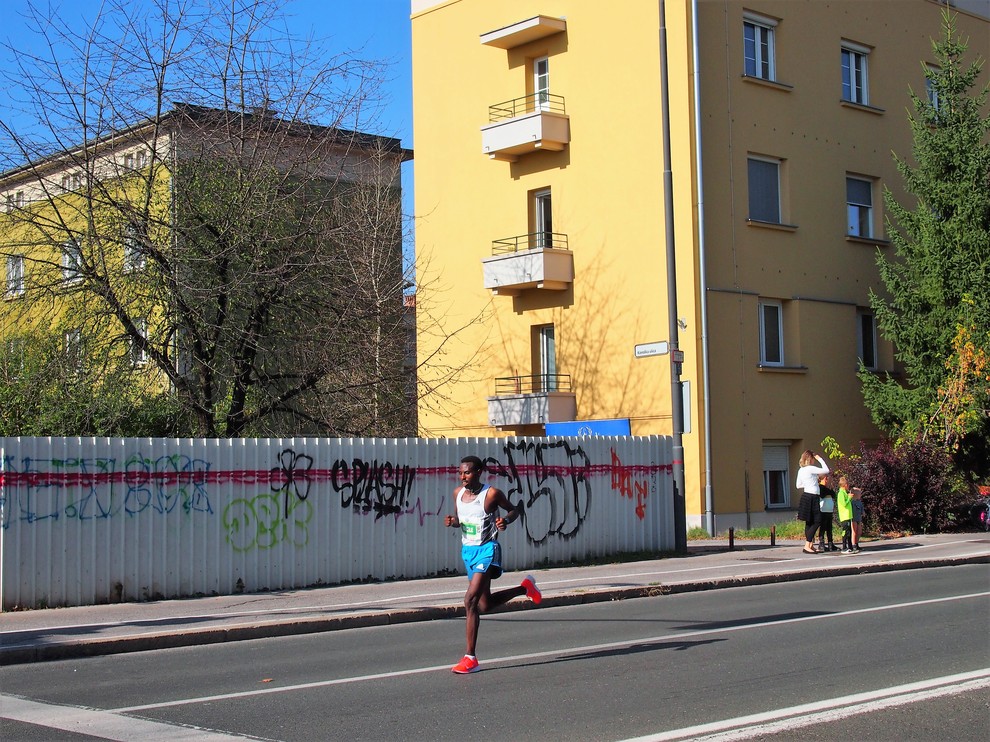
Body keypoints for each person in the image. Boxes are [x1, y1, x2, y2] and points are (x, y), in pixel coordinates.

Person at [444, 455, 542, 674]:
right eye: (460, 473)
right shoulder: (457, 494)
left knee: (470, 600)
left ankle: (470, 658)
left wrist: (505, 520)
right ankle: (524, 587)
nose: (463, 477)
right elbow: (463, 520)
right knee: (483, 605)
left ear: (478, 472)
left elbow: (515, 509)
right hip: (468, 551)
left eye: (467, 473)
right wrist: (453, 522)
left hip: (487, 551)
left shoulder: (491, 494)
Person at [795, 450, 829, 554]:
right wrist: (820, 459)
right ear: (811, 459)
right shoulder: (810, 468)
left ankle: (810, 545)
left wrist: (809, 483)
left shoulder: (801, 470)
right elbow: (826, 470)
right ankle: (807, 545)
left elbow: (798, 485)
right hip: (812, 496)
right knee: (818, 520)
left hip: (805, 495)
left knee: (809, 521)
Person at [817, 475, 838, 552]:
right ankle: (821, 543)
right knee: (823, 527)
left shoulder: (827, 488)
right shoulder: (820, 487)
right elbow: (823, 494)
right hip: (823, 510)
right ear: (824, 479)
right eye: (827, 479)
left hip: (829, 510)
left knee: (829, 528)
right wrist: (829, 491)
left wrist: (829, 491)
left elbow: (833, 494)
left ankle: (830, 543)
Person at [836, 476, 854, 553]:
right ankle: (844, 547)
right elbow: (844, 504)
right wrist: (849, 498)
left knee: (849, 531)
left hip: (848, 515)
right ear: (845, 485)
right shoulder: (841, 493)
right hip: (844, 516)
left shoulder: (845, 493)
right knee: (845, 531)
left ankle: (850, 547)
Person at [850, 482, 864, 553]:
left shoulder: (859, 502)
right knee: (854, 532)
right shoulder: (852, 502)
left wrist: (863, 512)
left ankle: (857, 542)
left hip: (859, 518)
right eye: (859, 494)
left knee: (859, 531)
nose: (860, 495)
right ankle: (853, 545)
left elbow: (861, 508)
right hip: (854, 518)